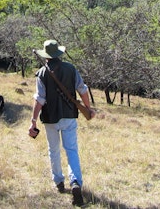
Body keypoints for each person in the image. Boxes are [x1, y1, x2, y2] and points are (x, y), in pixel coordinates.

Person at [29, 39, 94, 207]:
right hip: (69, 115)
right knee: (71, 150)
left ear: (46, 55)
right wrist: (88, 108)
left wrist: (33, 121)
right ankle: (75, 182)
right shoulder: (71, 69)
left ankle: (58, 181)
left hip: (50, 118)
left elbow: (39, 99)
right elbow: (83, 90)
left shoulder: (41, 73)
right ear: (59, 53)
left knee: (54, 150)